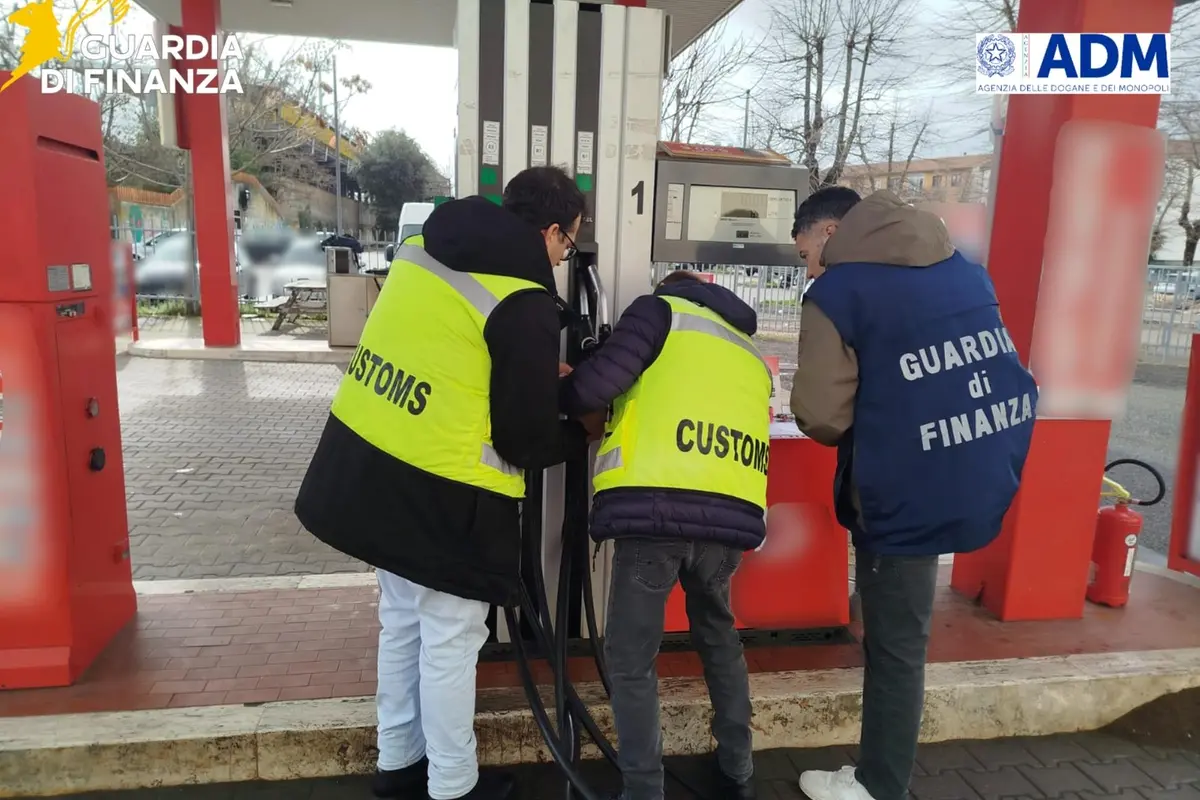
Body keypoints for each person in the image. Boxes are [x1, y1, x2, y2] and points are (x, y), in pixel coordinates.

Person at [295, 166, 590, 800]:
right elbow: (522, 438)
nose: (566, 256)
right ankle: (453, 786)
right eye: (569, 243)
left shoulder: (425, 247)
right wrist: (578, 429)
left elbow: (451, 349)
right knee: (453, 639)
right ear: (550, 231)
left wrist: (534, 361)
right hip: (445, 489)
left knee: (401, 623)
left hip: (370, 465)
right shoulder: (523, 296)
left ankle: (398, 765)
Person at [788, 187, 1038, 800]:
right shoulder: (964, 273)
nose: (810, 269)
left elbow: (819, 415)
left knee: (897, 647)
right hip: (972, 466)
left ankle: (879, 786)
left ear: (828, 233)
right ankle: (879, 774)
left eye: (805, 254)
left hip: (900, 491)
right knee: (904, 637)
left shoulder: (839, 293)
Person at [560, 270, 772, 800]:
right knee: (720, 640)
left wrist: (560, 380)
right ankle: (739, 769)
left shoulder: (658, 313)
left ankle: (644, 789)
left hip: (656, 515)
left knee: (632, 660)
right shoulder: (745, 345)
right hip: (728, 524)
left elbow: (593, 386)